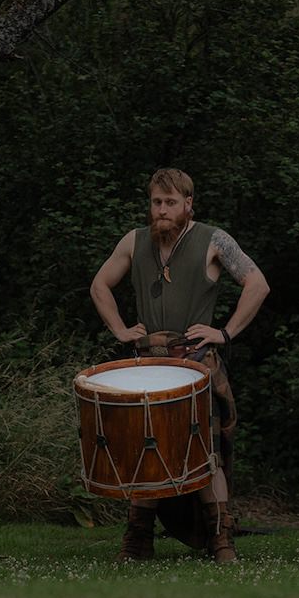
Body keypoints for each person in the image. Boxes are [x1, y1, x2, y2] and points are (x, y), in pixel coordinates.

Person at [90, 168, 269, 563]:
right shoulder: (134, 242)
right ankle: (138, 540)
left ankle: (222, 540)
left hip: (195, 362)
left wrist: (225, 333)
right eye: (157, 202)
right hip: (146, 362)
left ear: (189, 204)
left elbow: (258, 285)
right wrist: (120, 329)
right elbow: (99, 285)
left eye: (171, 203)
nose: (162, 210)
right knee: (145, 446)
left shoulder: (213, 240)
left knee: (205, 451)